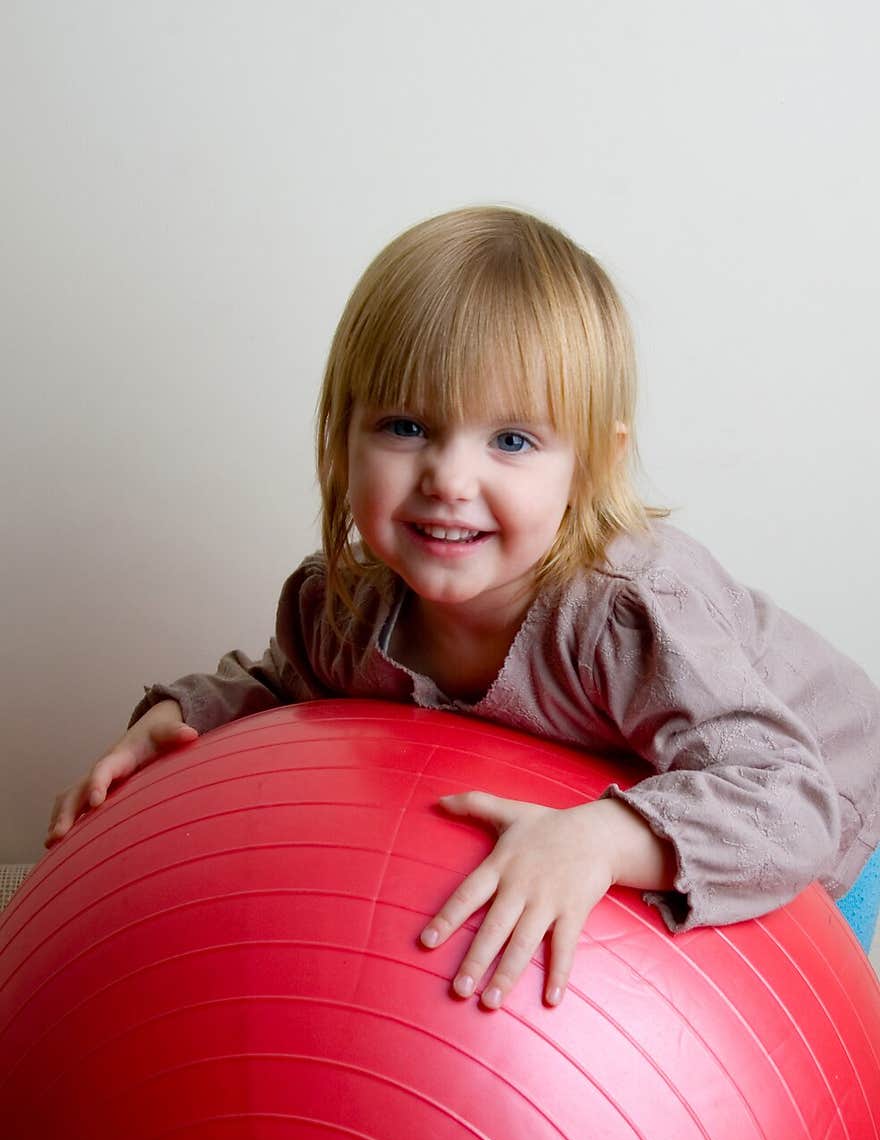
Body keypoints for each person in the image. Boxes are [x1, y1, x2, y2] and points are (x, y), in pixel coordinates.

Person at [45, 205, 880, 1008]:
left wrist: (599, 838)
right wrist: (182, 712)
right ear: (343, 435)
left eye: (512, 440)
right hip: (719, 787)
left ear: (590, 466)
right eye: (406, 426)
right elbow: (280, 682)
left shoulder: (623, 618)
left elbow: (785, 800)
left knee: (754, 1024)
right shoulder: (344, 608)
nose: (449, 478)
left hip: (818, 797)